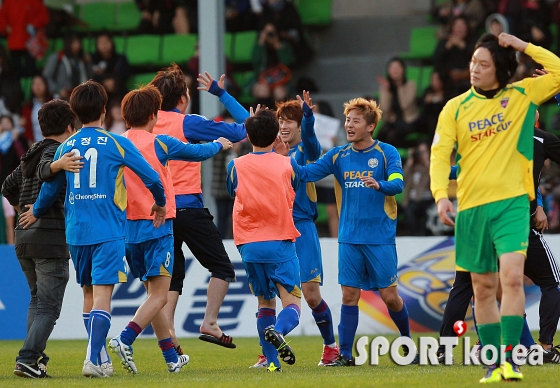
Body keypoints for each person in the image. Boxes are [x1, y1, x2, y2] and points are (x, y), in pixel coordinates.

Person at [429, 32, 560, 383]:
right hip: (471, 210)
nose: (474, 69)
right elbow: (440, 156)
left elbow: (558, 72)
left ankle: (511, 361)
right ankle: (494, 364)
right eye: (473, 62)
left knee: (513, 280)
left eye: (483, 64)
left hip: (513, 206)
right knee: (483, 288)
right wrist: (441, 194)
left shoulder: (521, 96)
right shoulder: (455, 108)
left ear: (500, 69)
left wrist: (523, 47)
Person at [19, 80, 166, 378]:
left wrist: (35, 210)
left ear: (74, 113)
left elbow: (51, 187)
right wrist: (160, 203)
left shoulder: (66, 146)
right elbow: (152, 177)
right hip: (107, 229)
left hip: (76, 233)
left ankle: (99, 357)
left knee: (89, 293)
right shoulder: (116, 142)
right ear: (103, 109)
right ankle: (91, 359)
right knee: (102, 295)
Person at [108, 85, 232, 374]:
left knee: (154, 296)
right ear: (153, 115)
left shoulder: (117, 144)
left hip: (128, 231)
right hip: (158, 226)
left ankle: (171, 358)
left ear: (125, 116)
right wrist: (220, 144)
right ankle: (125, 339)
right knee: (160, 296)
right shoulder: (160, 143)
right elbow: (197, 152)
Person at [287, 97, 413, 366]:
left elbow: (398, 183)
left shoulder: (386, 153)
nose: (349, 125)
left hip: (379, 238)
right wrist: (279, 160)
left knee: (390, 298)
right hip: (349, 237)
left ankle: (407, 342)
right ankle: (345, 354)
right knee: (349, 296)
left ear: (371, 126)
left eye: (356, 120)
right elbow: (306, 173)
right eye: (347, 120)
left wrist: (380, 185)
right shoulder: (338, 155)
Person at [435, 110, 560, 365]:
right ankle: (542, 346)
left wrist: (443, 172)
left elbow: (469, 169)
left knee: (471, 285)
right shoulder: (540, 139)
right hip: (516, 224)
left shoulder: (491, 136)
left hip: (479, 222)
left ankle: (449, 349)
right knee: (540, 285)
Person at [149, 65, 247, 352]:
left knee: (172, 276)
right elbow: (247, 127)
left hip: (157, 212)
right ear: (182, 99)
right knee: (222, 267)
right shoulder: (187, 124)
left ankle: (169, 337)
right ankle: (210, 322)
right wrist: (221, 94)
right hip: (188, 207)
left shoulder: (146, 125)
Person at [251, 92, 339, 368]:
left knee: (311, 295)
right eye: (281, 121)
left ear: (299, 127)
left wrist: (309, 117)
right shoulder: (267, 152)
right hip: (272, 230)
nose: (285, 125)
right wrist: (222, 94)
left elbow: (313, 144)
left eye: (291, 121)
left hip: (301, 228)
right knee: (266, 296)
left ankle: (330, 347)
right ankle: (268, 356)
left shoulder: (305, 153)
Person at [1, 99, 82, 378]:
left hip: (24, 238)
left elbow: (7, 186)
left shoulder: (29, 153)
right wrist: (58, 165)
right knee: (48, 305)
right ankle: (27, 358)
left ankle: (33, 359)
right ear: (70, 127)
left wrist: (20, 207)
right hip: (49, 239)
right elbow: (46, 170)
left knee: (37, 301)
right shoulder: (58, 151)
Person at [226, 108, 302, 372]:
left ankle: (271, 364)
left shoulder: (235, 165)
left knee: (264, 302)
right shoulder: (287, 164)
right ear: (276, 135)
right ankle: (279, 331)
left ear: (247, 135)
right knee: (291, 303)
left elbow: (231, 191)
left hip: (249, 245)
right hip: (280, 240)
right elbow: (295, 186)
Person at [376, 57, 419, 149]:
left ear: (403, 70)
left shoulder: (411, 85)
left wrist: (399, 86)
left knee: (392, 135)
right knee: (381, 134)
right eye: (392, 67)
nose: (395, 70)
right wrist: (387, 91)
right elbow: (384, 108)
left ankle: (413, 146)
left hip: (409, 121)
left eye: (398, 67)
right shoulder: (386, 87)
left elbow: (405, 104)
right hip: (393, 121)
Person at [0, 0, 49, 79]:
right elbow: (2, 18)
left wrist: (33, 25)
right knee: (15, 69)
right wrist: (5, 27)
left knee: (30, 69)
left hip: (30, 43)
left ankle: (30, 88)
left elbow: (43, 17)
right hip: (15, 42)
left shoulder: (34, 2)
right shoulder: (9, 2)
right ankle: (16, 89)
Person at [433, 16, 477, 97]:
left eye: (462, 25)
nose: (460, 28)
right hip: (448, 79)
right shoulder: (444, 42)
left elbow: (476, 58)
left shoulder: (473, 41)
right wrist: (447, 47)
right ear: (452, 28)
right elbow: (437, 60)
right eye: (457, 25)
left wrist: (463, 46)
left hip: (469, 79)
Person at [42, 32, 89, 100]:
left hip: (76, 99)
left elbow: (84, 79)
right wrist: (58, 90)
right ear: (68, 43)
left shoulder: (80, 60)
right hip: (58, 98)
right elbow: (46, 76)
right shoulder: (57, 57)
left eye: (78, 42)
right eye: (74, 42)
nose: (77, 45)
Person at [403, 142, 433, 236]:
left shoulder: (431, 166)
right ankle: (414, 235)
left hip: (427, 200)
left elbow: (435, 178)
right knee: (409, 212)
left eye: (424, 152)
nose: (421, 155)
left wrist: (427, 163)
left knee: (429, 214)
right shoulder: (412, 168)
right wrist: (410, 161)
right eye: (420, 152)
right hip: (414, 200)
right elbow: (402, 179)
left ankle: (422, 236)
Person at [90, 32, 131, 98]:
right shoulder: (92, 60)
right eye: (100, 42)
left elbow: (125, 74)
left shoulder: (121, 59)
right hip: (99, 95)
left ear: (112, 43)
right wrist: (103, 82)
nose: (104, 44)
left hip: (119, 92)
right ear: (96, 45)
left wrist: (114, 81)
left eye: (107, 41)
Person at [21, 75, 54, 143]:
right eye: (35, 83)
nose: (37, 86)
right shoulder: (27, 107)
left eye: (40, 83)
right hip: (34, 144)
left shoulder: (54, 104)